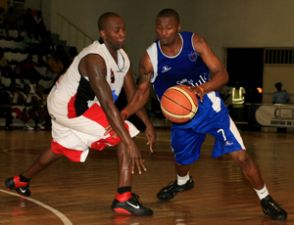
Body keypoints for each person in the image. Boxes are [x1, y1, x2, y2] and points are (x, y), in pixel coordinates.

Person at [120, 8, 287, 220]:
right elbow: (141, 93)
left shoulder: (195, 42)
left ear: (178, 28)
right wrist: (124, 113)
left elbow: (222, 74)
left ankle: (265, 198)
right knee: (181, 161)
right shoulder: (149, 58)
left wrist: (201, 89)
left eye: (169, 27)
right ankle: (183, 182)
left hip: (209, 108)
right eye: (159, 28)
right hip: (180, 117)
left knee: (240, 156)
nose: (163, 32)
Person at [4, 12, 155, 216]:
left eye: (123, 29)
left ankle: (21, 181)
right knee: (123, 133)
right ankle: (123, 197)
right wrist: (128, 141)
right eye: (116, 30)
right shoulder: (94, 59)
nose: (122, 34)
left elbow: (131, 95)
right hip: (69, 106)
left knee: (59, 148)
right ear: (103, 33)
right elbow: (109, 106)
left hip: (74, 104)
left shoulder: (122, 57)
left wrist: (147, 124)